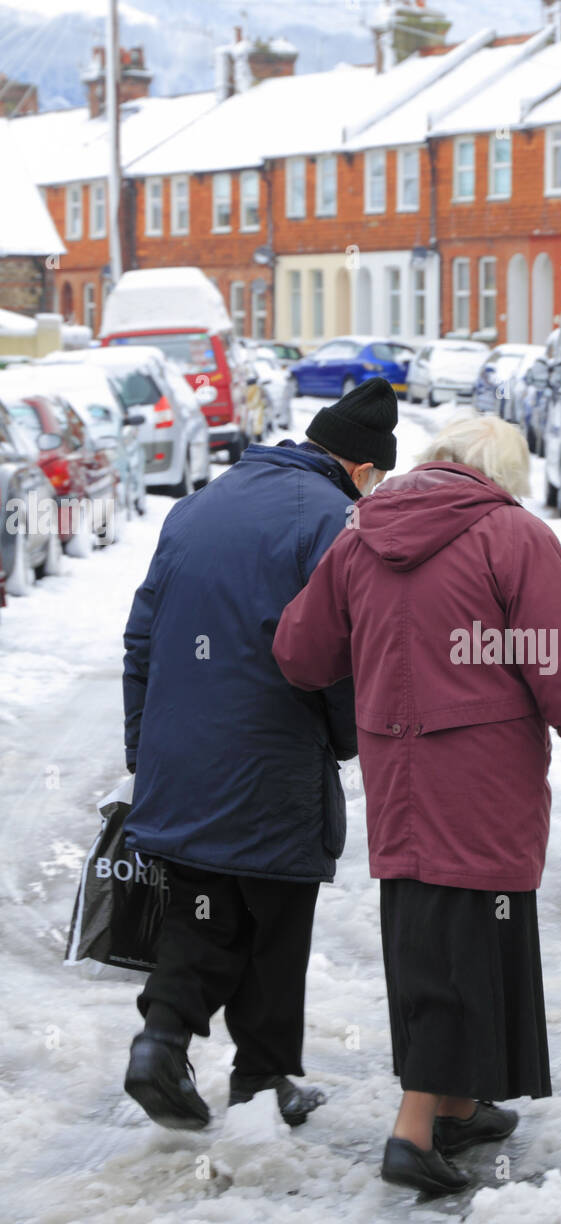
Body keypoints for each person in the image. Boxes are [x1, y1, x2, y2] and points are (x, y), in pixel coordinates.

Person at [273, 414, 561, 1195]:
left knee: (435, 935)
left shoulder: (360, 536)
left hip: (399, 776)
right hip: (484, 780)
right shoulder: (511, 538)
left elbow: (300, 653)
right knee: (466, 944)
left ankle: (456, 1108)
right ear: (501, 473)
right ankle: (413, 1132)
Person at [121, 379, 397, 1130]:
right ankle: (262, 1077)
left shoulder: (198, 505)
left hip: (178, 759)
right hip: (273, 755)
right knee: (275, 914)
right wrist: (343, 739)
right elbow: (340, 652)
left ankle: (160, 1041)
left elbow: (141, 635)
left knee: (200, 907)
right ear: (364, 468)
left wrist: (143, 746)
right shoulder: (336, 522)